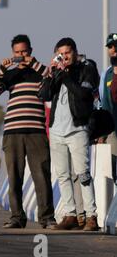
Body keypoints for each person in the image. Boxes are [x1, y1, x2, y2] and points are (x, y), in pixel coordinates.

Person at [0, 34, 56, 229]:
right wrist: (2, 69)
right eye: (17, 52)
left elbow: (50, 77)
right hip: (13, 132)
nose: (21, 55)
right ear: (12, 53)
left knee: (41, 175)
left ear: (31, 51)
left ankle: (47, 217)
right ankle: (17, 217)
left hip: (36, 131)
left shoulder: (40, 71)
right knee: (14, 176)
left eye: (24, 51)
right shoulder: (10, 74)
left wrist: (33, 63)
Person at [38, 37, 100, 231]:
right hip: (56, 129)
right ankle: (70, 214)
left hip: (78, 128)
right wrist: (50, 74)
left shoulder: (87, 67)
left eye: (67, 53)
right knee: (63, 175)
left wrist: (66, 75)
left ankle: (91, 216)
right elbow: (44, 95)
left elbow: (83, 94)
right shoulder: (57, 72)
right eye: (60, 54)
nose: (64, 57)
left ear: (74, 52)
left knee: (83, 174)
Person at [100, 33, 117, 184]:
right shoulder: (107, 74)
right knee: (114, 167)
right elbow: (105, 102)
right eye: (110, 46)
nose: (114, 49)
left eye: (116, 46)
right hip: (113, 129)